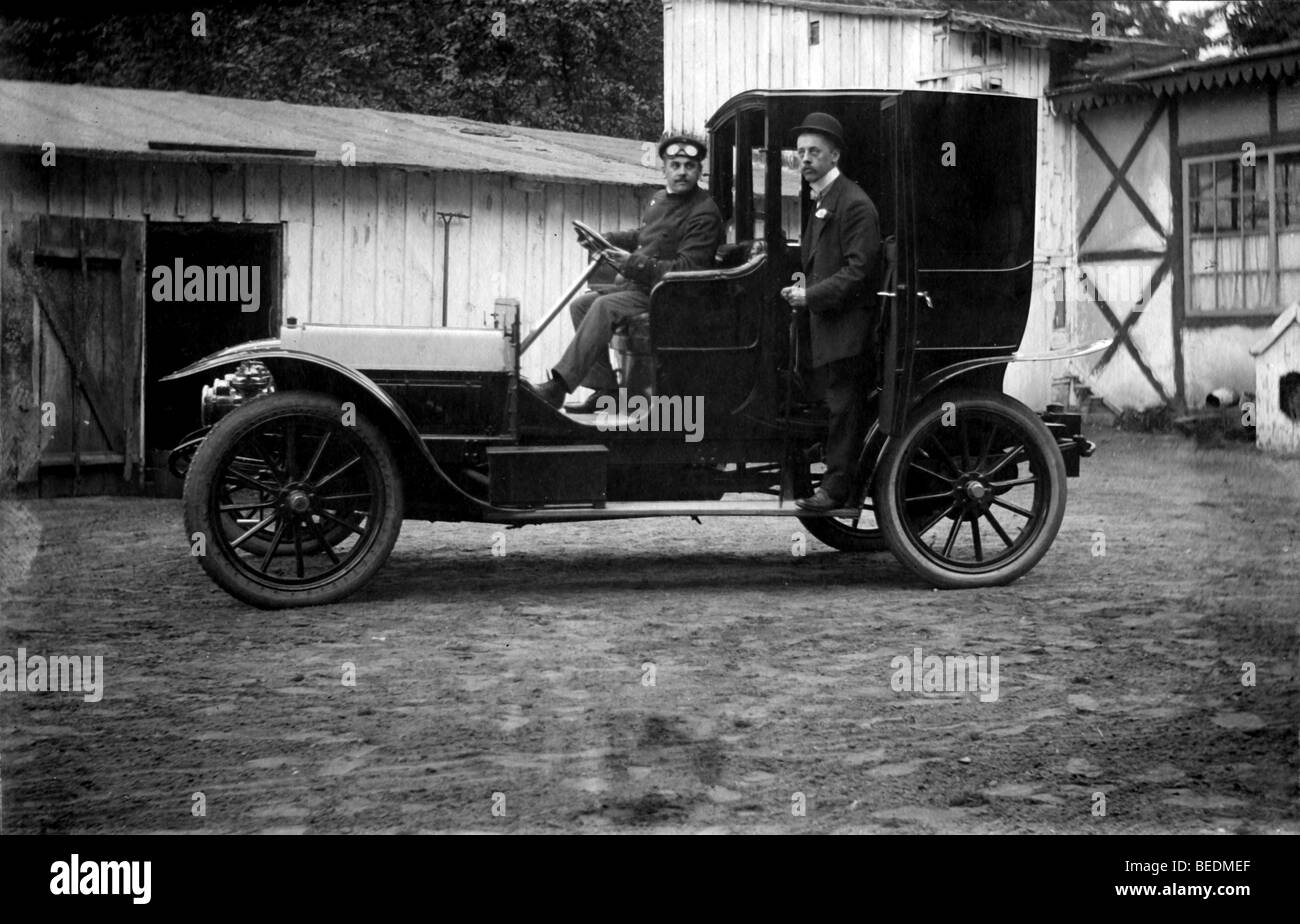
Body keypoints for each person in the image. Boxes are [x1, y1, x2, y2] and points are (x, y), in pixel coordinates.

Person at [534, 133, 724, 410]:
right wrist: (607, 238)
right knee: (581, 306)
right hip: (647, 288)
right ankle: (605, 391)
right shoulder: (659, 199)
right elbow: (645, 236)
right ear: (664, 169)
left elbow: (687, 270)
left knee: (603, 306)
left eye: (689, 166)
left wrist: (630, 263)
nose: (682, 172)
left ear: (699, 170)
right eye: (675, 165)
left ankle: (559, 386)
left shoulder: (703, 212)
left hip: (674, 297)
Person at [780, 112, 882, 512]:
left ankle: (837, 489)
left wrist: (810, 297)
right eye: (801, 152)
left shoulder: (853, 204)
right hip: (826, 326)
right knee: (832, 405)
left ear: (834, 155)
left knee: (844, 408)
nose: (805, 159)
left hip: (847, 330)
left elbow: (859, 272)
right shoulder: (823, 199)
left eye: (814, 152)